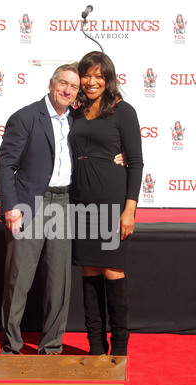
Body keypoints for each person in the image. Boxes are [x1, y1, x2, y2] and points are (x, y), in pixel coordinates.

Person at [0, 62, 125, 356]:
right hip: (31, 205)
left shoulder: (78, 118)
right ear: (51, 84)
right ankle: (11, 347)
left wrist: (120, 156)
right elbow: (5, 165)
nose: (68, 90)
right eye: (63, 83)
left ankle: (51, 348)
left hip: (66, 204)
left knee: (59, 282)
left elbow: (99, 143)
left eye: (74, 86)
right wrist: (11, 207)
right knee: (19, 280)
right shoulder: (26, 117)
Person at [69, 51, 143, 356]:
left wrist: (129, 209)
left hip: (112, 200)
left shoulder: (123, 111)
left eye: (99, 75)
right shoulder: (74, 113)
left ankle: (120, 348)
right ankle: (96, 347)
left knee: (113, 271)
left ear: (108, 79)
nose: (91, 81)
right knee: (89, 272)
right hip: (80, 200)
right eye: (86, 75)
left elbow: (136, 162)